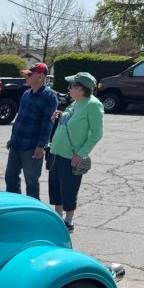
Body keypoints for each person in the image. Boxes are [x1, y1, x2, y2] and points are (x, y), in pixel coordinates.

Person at [48, 72, 104, 233]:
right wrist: (58, 117)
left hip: (71, 156)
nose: (68, 88)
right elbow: (68, 122)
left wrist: (81, 153)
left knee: (69, 188)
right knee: (56, 188)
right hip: (57, 152)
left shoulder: (93, 105)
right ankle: (58, 218)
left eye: (71, 86)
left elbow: (97, 132)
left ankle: (68, 221)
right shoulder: (75, 103)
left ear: (80, 89)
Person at [4, 62, 58, 200]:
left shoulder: (49, 96)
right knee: (10, 176)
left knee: (31, 181)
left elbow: (47, 123)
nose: (26, 77)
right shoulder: (26, 94)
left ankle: (33, 208)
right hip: (17, 143)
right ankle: (15, 204)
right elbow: (19, 119)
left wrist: (41, 145)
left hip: (32, 147)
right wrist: (12, 138)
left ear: (40, 76)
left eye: (30, 74)